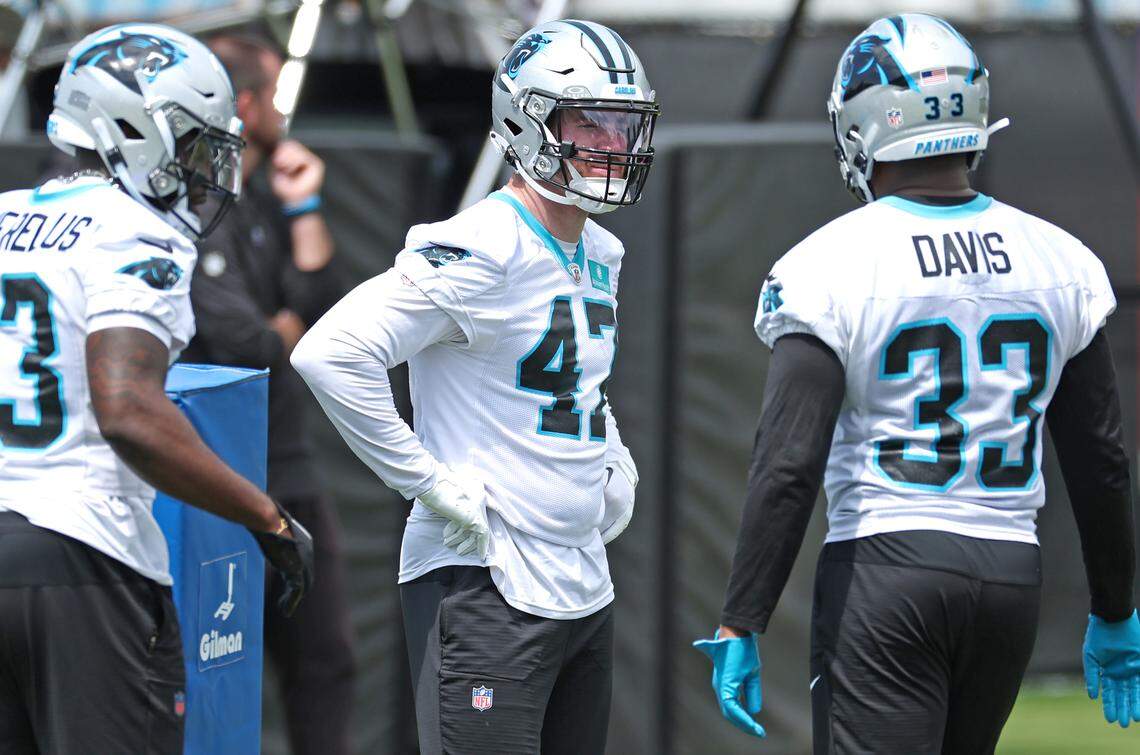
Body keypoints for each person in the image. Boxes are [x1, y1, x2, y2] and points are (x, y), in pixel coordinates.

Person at [695, 12, 1140, 753]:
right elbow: (1101, 460)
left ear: (864, 126)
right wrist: (1117, 607)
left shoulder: (829, 262)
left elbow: (788, 462)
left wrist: (743, 617)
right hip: (1009, 574)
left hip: (887, 568)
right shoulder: (1061, 258)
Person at [291, 19, 656, 754]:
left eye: (624, 124)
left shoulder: (599, 248)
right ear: (526, 120)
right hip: (489, 583)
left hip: (582, 580)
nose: (614, 144)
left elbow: (576, 375)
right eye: (591, 121)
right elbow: (330, 352)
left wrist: (610, 452)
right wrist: (427, 481)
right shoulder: (484, 245)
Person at [0, 23, 313, 753]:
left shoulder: (5, 217)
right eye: (189, 142)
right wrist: (263, 515)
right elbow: (129, 411)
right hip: (85, 551)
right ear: (131, 130)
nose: (202, 167)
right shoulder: (136, 231)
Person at [178, 33, 355, 755]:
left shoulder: (266, 201)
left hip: (289, 469)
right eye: (276, 94)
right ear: (245, 105)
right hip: (210, 472)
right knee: (210, 668)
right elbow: (248, 344)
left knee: (325, 660)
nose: (287, 111)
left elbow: (327, 312)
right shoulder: (193, 208)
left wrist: (304, 203)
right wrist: (289, 326)